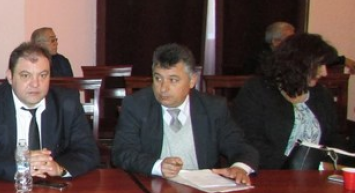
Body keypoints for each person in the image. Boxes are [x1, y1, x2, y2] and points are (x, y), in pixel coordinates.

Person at [113, 43, 258, 183]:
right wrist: (158, 166)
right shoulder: (136, 105)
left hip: (203, 190)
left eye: (173, 80)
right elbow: (122, 153)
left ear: (192, 80)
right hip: (154, 185)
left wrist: (239, 168)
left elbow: (241, 147)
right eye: (158, 78)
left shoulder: (213, 108)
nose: (163, 88)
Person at [0, 42, 100, 181]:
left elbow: (89, 152)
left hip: (55, 187)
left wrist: (60, 168)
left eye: (43, 75)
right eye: (25, 75)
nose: (35, 84)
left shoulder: (66, 103)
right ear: (10, 77)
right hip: (5, 187)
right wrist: (19, 167)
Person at [233, 33, 348, 169]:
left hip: (316, 174)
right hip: (270, 173)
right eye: (319, 65)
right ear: (298, 64)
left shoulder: (321, 94)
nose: (324, 73)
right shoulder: (257, 90)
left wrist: (333, 163)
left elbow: (333, 137)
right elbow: (250, 142)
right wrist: (300, 166)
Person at [246, 21, 354, 74]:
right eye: (289, 39)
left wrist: (343, 60)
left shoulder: (292, 53)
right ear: (275, 41)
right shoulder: (260, 58)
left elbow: (311, 59)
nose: (293, 43)